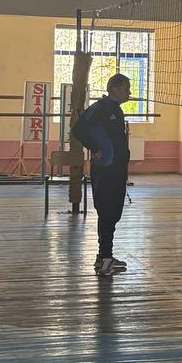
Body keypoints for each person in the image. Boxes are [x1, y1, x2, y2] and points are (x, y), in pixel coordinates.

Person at [73, 74, 133, 276]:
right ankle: (105, 260)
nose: (129, 93)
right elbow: (78, 129)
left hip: (117, 168)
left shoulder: (116, 109)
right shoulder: (100, 107)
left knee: (113, 213)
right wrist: (94, 148)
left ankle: (104, 256)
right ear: (114, 89)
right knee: (107, 212)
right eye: (126, 88)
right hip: (106, 169)